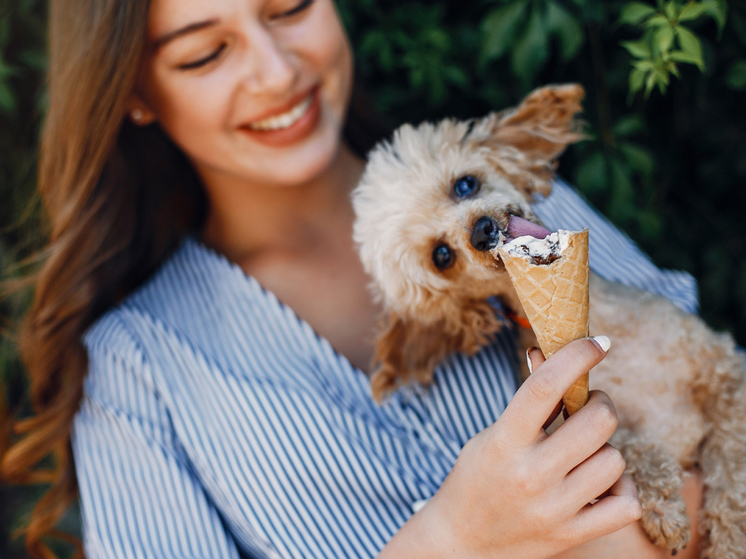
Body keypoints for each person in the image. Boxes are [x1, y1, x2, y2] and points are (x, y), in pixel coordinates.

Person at [1, 0, 704, 557]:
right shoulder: (138, 368)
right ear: (132, 91)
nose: (277, 72)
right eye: (205, 52)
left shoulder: (500, 192)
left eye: (291, 7)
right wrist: (453, 543)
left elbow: (712, 423)